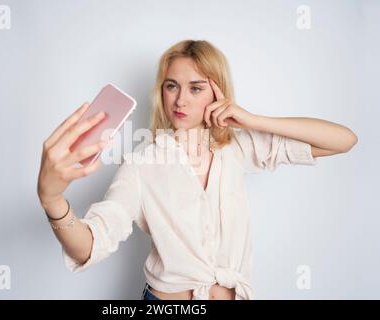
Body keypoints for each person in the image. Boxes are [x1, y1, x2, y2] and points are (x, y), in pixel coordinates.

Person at [37, 40, 358, 300]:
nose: (180, 100)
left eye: (195, 88)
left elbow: (343, 140)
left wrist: (253, 120)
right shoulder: (141, 164)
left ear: (218, 93)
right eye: (171, 86)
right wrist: (52, 200)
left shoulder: (238, 149)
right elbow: (90, 245)